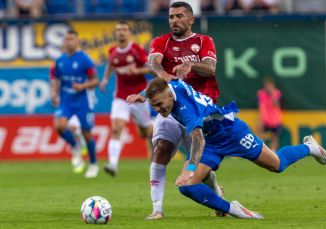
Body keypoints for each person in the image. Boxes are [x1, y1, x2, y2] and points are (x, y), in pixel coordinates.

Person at [129, 77, 326, 218]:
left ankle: (309, 147)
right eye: (154, 105)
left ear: (170, 98)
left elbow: (197, 140)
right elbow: (162, 81)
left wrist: (190, 168)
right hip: (211, 143)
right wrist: (142, 95)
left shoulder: (184, 108)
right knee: (186, 187)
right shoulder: (169, 87)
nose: (157, 110)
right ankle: (234, 209)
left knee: (277, 164)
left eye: (159, 104)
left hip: (231, 133)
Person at [145, 1, 221, 219]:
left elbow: (210, 69)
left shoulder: (204, 41)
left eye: (179, 16)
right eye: (171, 17)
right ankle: (157, 208)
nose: (174, 20)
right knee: (161, 149)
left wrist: (191, 65)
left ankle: (215, 191)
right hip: (171, 107)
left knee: (198, 165)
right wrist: (163, 74)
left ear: (191, 19)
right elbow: (152, 63)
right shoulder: (161, 42)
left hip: (197, 110)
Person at [99, 21, 153, 176]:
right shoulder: (112, 51)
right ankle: (112, 165)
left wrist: (136, 70)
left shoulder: (136, 49)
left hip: (138, 97)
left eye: (124, 29)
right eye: (118, 30)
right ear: (116, 33)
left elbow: (150, 67)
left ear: (129, 33)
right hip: (121, 97)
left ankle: (153, 153)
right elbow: (110, 65)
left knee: (145, 132)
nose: (121, 32)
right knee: (116, 128)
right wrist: (104, 79)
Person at [50, 29, 100, 178]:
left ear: (77, 41)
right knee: (59, 126)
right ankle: (75, 146)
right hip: (66, 100)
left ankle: (93, 164)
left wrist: (82, 86)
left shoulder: (85, 59)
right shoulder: (60, 61)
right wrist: (54, 92)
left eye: (71, 39)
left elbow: (95, 80)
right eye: (66, 39)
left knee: (87, 133)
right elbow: (56, 78)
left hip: (82, 101)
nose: (68, 42)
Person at [257, 77, 282, 152]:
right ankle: (262, 148)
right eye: (267, 86)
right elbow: (261, 105)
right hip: (265, 118)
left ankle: (273, 150)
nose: (268, 88)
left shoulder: (277, 93)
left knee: (275, 135)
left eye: (270, 86)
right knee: (260, 131)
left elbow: (276, 104)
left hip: (275, 119)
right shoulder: (260, 93)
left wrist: (272, 94)